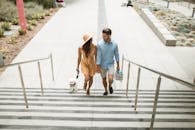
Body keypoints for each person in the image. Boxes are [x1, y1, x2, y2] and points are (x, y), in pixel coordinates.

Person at [96, 28, 120, 96]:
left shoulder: (114, 44)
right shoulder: (100, 44)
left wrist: (118, 65)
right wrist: (97, 66)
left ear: (109, 35)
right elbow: (98, 56)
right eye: (102, 36)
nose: (103, 37)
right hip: (102, 65)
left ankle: (110, 86)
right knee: (104, 79)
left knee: (110, 79)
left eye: (104, 36)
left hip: (110, 64)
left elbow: (117, 54)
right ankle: (106, 90)